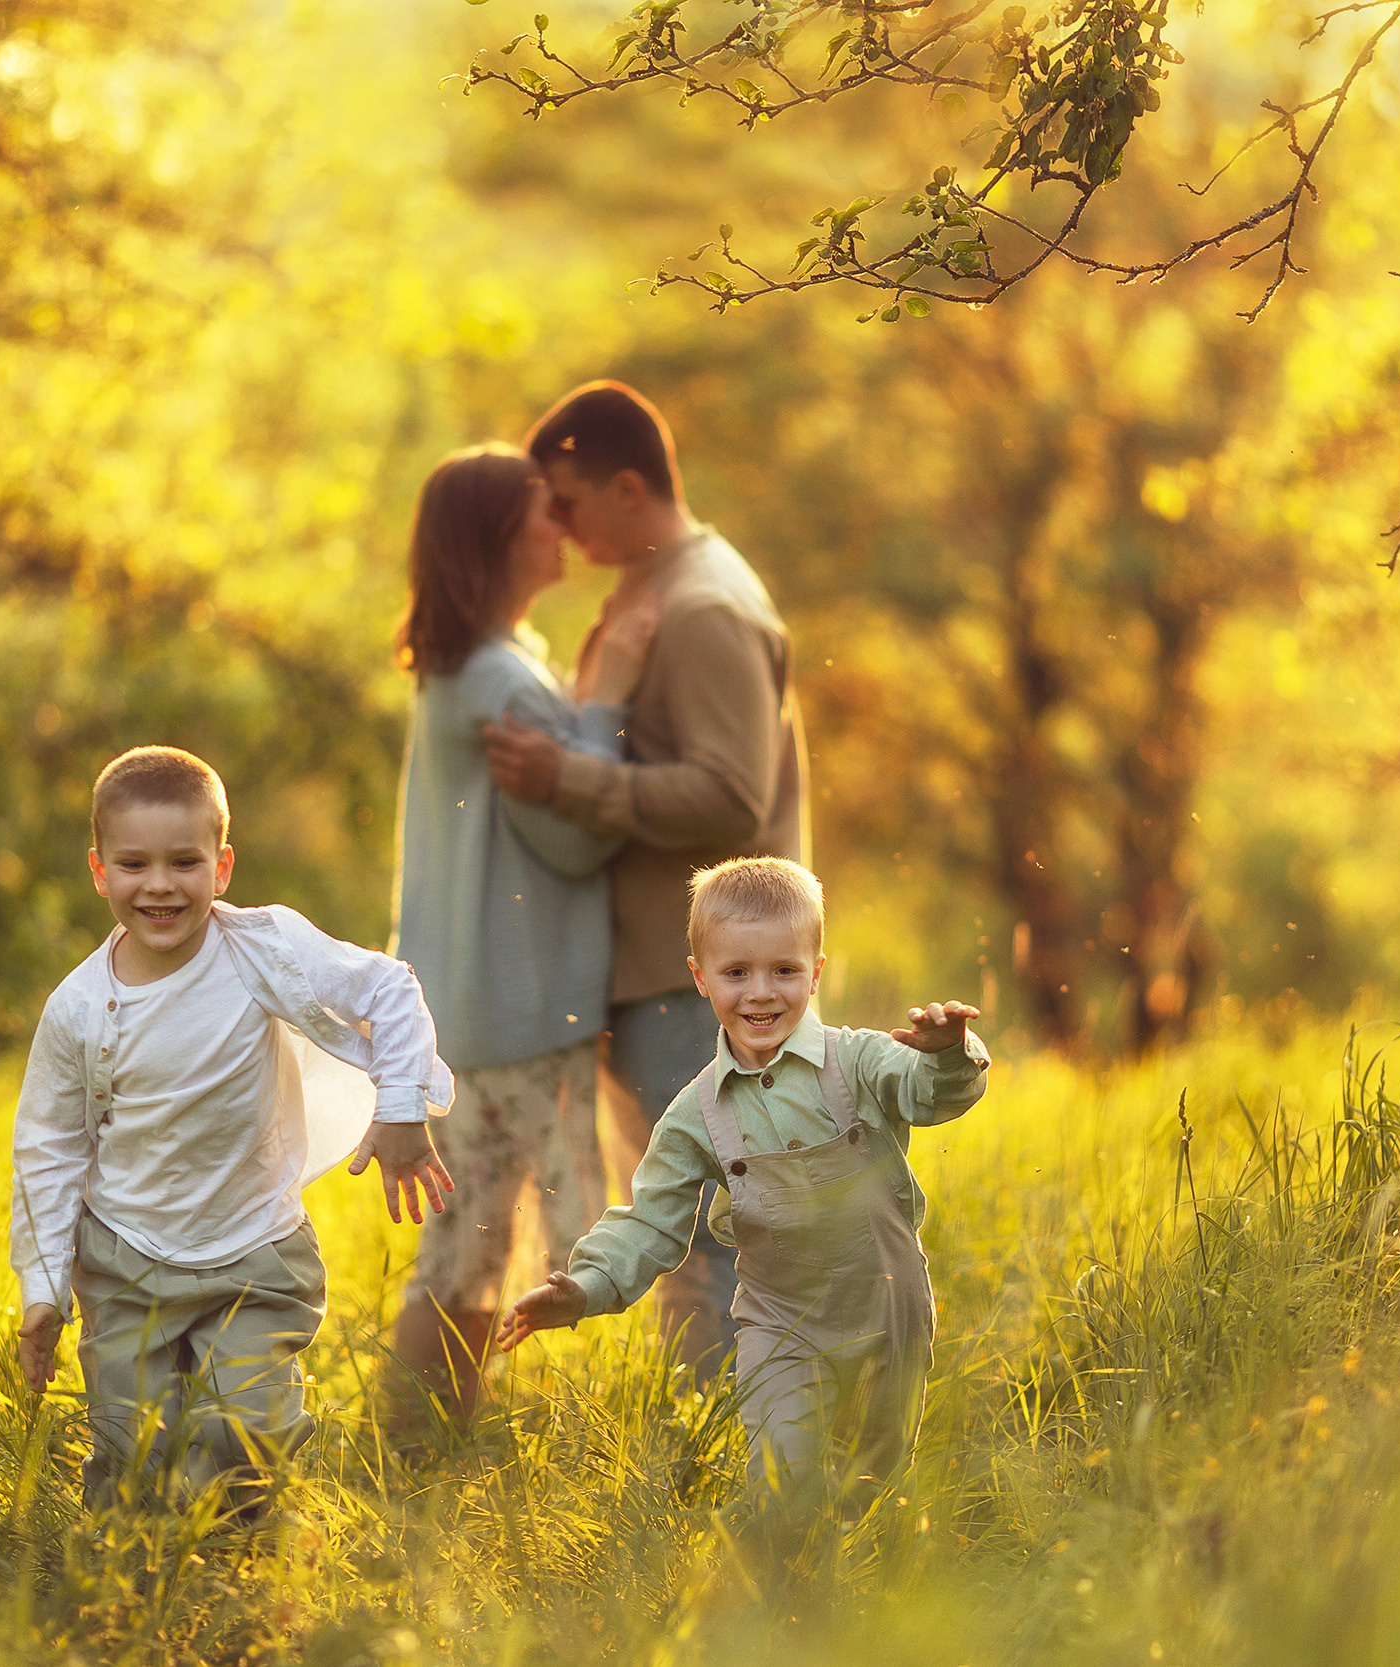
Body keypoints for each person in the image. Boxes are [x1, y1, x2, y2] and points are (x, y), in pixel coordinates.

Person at [10, 745, 456, 1515]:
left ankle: (247, 1562)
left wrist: (403, 1108)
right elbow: (49, 1146)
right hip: (126, 1256)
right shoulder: (78, 1008)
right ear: (99, 870)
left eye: (183, 862)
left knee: (254, 1431)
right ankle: (136, 1585)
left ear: (221, 867)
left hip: (254, 1251)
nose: (158, 884)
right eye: (133, 863)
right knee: (135, 1452)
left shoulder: (259, 948)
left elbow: (387, 984)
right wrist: (45, 1284)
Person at [496, 857, 989, 1538]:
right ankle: (772, 1601)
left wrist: (947, 1053)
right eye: (736, 972)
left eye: (784, 970)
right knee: (785, 1484)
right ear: (700, 976)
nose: (761, 993)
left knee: (871, 1489)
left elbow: (931, 1092)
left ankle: (866, 1603)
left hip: (887, 1313)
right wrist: (586, 1286)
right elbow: (649, 1222)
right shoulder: (696, 1112)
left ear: (817, 970)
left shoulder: (863, 1061)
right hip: (779, 1324)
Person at [484, 381, 807, 1375]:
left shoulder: (702, 606)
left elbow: (729, 801)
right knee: (686, 1230)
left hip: (695, 984)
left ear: (629, 488)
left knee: (708, 1233)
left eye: (567, 501)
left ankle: (729, 1465)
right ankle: (717, 1456)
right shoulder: (650, 587)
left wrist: (568, 778)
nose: (557, 525)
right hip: (658, 973)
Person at [385, 444, 661, 1425]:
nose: (562, 528)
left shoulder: (462, 667)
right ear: (502, 535)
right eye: (545, 512)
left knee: (471, 1238)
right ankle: (413, 1450)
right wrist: (611, 696)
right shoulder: (503, 678)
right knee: (465, 1243)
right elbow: (580, 839)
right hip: (512, 1014)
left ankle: (433, 1444)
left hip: (466, 1009)